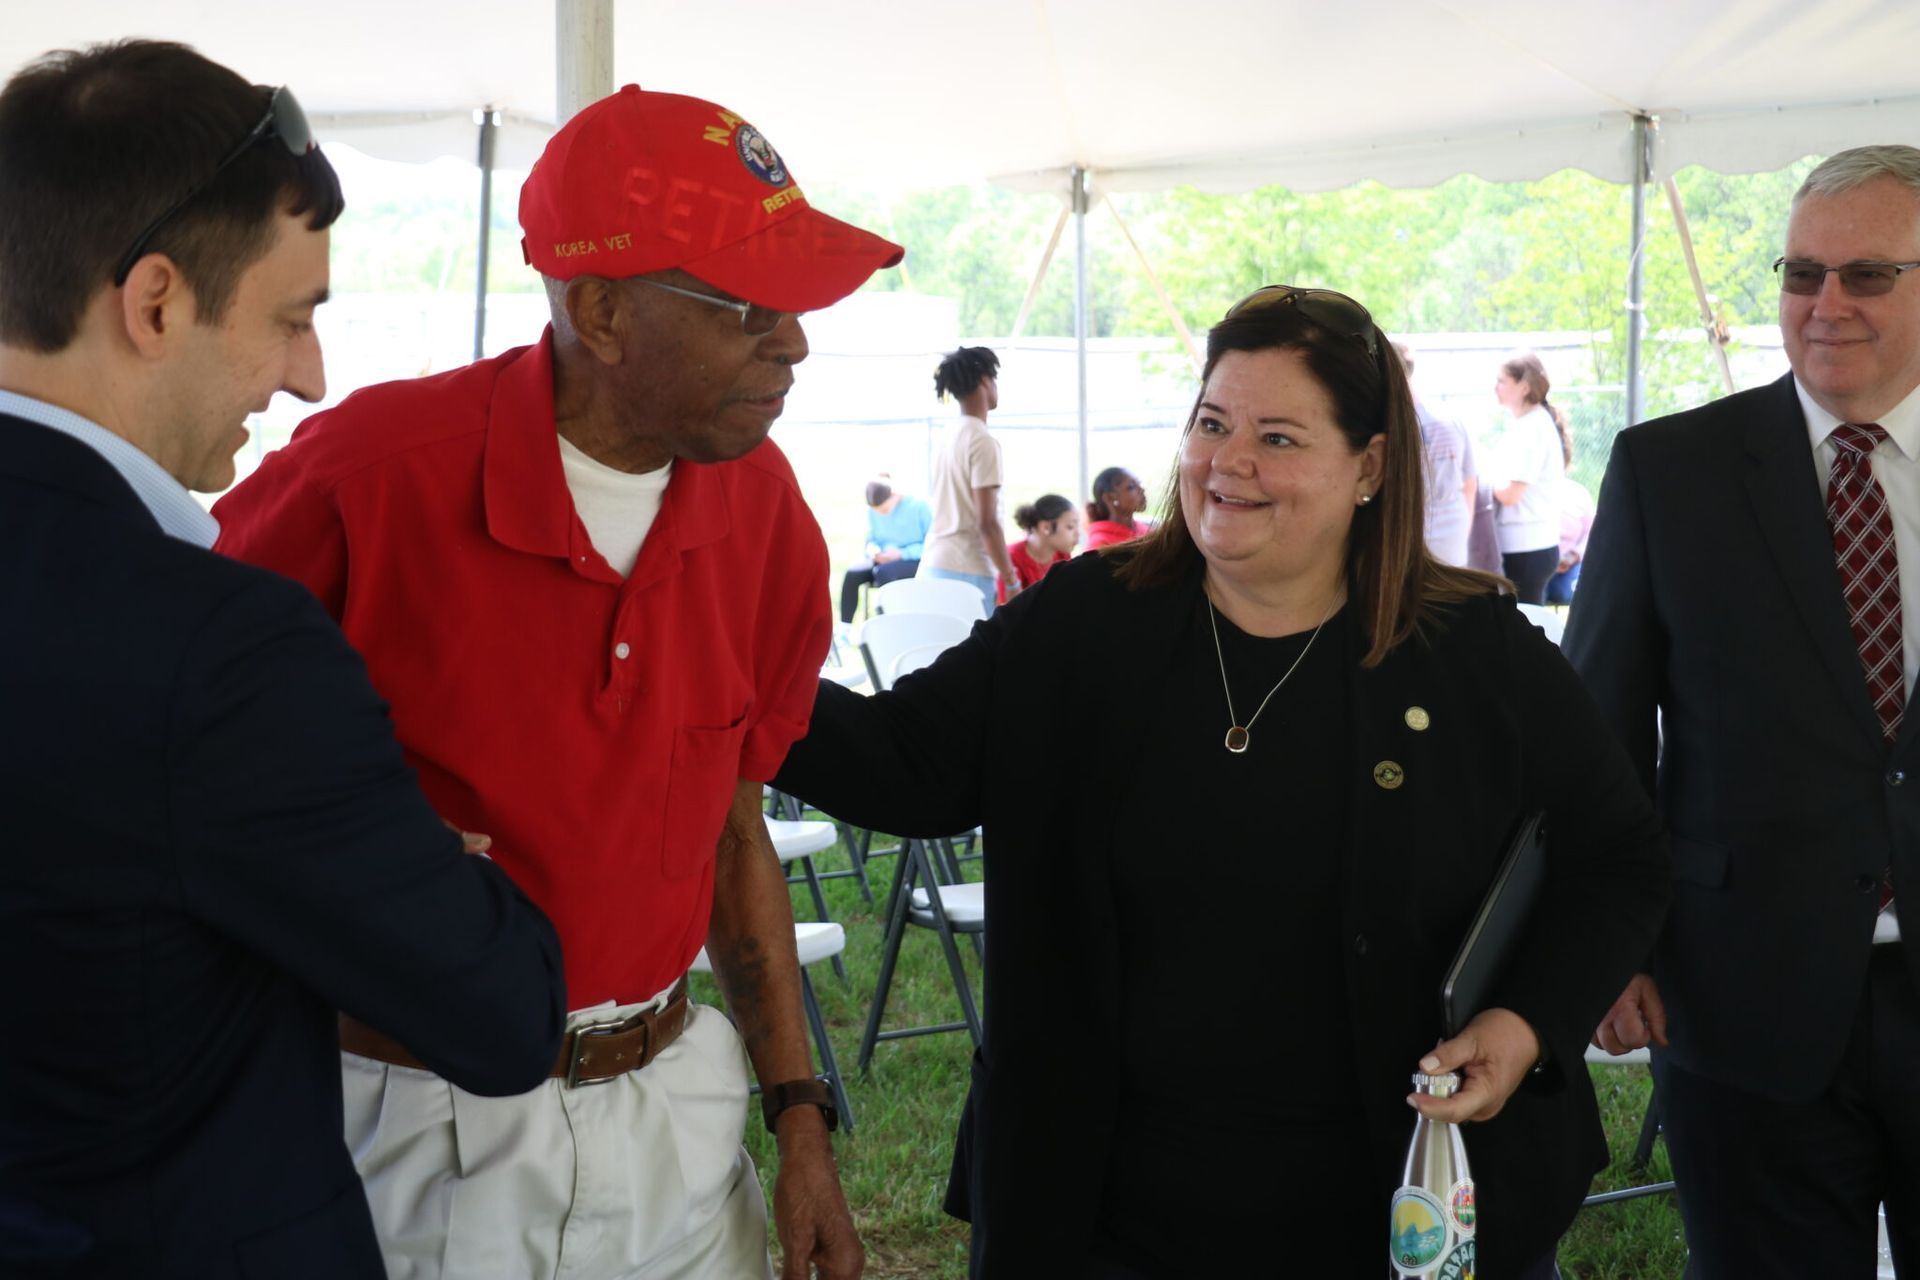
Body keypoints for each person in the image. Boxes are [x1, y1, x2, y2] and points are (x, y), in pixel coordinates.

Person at [777, 284, 1669, 1277]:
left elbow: (1620, 855)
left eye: (1279, 437)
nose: (1228, 461)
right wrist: (714, 672)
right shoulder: (1084, 622)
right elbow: (906, 764)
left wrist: (1527, 1020)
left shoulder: (1472, 652)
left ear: (1369, 464)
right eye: (1211, 423)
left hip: (1398, 1200)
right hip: (1107, 1208)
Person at [214, 85, 900, 1280]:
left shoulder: (768, 512)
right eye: (751, 307)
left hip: (677, 1110)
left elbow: (735, 827)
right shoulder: (365, 482)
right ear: (602, 309)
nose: (793, 342)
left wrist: (798, 1118)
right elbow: (180, 772)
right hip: (410, 1130)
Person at [0, 40, 565, 1278]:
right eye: (292, 317)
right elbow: (501, 1012)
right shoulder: (219, 650)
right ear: (155, 303)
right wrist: (413, 852)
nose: (309, 378)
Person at [1569, 144, 1920, 1278]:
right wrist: (1604, 940)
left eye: (1867, 274)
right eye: (1800, 272)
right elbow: (1594, 735)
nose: (1826, 305)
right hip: (1740, 1000)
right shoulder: (1672, 472)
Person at [922, 346, 1016, 615]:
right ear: (985, 381)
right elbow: (986, 522)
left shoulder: (947, 436)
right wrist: (1011, 580)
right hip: (967, 568)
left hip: (935, 562)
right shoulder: (982, 440)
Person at [1486, 352, 1566, 602]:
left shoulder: (1532, 428)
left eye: (1501, 381)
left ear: (1524, 387)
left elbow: (1511, 494)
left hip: (1526, 547)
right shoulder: (1528, 424)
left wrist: (1481, 480)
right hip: (1527, 546)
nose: (1495, 387)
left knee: (1525, 626)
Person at [1394, 341, 1478, 566]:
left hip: (1412, 537)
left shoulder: (1395, 427)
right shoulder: (1452, 421)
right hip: (1452, 532)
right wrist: (1464, 528)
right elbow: (1470, 483)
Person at [838, 474, 931, 622]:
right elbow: (871, 539)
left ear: (894, 496)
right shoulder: (873, 511)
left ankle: (888, 623)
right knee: (853, 573)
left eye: (884, 509)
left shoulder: (919, 506)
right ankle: (845, 629)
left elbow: (931, 544)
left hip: (913, 559)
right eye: (877, 511)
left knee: (883, 572)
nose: (880, 514)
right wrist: (873, 551)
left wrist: (901, 553)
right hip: (882, 558)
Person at [1545, 417, 1593, 607]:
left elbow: (1593, 533)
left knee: (1564, 592)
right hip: (1539, 563)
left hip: (1569, 564)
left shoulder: (1577, 493)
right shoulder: (1525, 495)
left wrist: (1573, 555)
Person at [1002, 492, 1080, 599]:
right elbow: (1007, 609)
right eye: (1070, 527)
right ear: (1046, 527)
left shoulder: (1063, 556)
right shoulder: (1011, 558)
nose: (1078, 534)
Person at [1083, 465, 1152, 548]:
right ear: (1110, 498)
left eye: (1139, 484)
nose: (1142, 489)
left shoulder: (1145, 530)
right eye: (1131, 487)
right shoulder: (1099, 544)